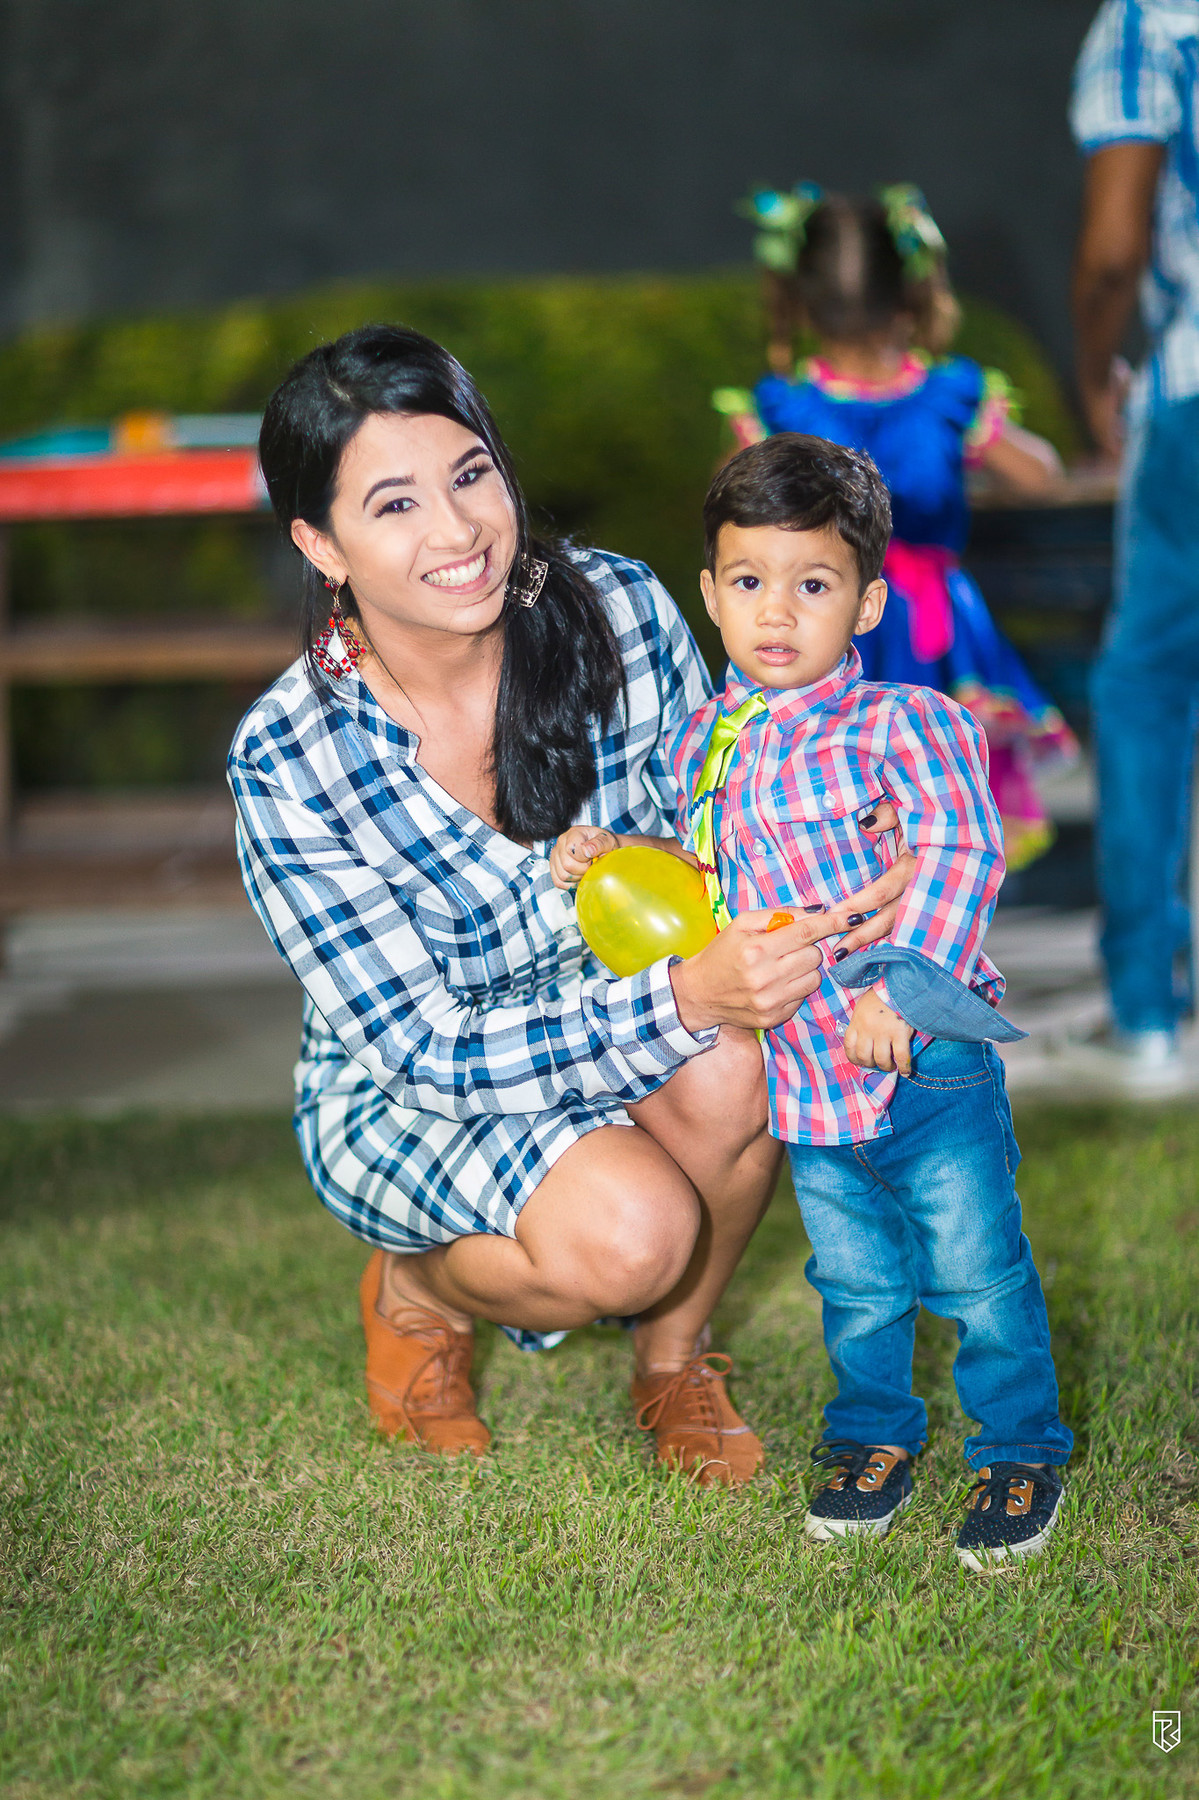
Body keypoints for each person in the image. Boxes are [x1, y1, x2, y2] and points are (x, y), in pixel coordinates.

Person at [228, 324, 915, 1485]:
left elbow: (722, 834)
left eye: (469, 475)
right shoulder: (289, 755)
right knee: (632, 1237)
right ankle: (418, 1286)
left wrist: (848, 835)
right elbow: (423, 1051)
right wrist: (679, 1003)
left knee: (745, 1059)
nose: (456, 534)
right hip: (412, 1084)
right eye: (392, 505)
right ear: (320, 543)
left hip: (620, 1007)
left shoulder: (618, 610)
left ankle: (672, 1361)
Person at [554, 435, 1073, 1568]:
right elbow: (708, 884)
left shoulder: (905, 723)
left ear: (867, 600)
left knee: (973, 1264)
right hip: (802, 1075)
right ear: (709, 594)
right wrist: (614, 857)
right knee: (853, 1276)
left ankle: (1017, 1450)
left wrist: (899, 985)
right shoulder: (707, 743)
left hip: (912, 1055)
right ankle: (872, 1437)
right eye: (748, 583)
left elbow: (957, 847)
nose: (775, 612)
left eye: (812, 584)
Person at [714, 184, 1078, 872]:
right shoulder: (946, 398)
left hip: (821, 611)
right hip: (937, 624)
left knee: (833, 797)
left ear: (798, 299)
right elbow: (1043, 473)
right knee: (938, 799)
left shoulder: (781, 406)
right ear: (912, 292)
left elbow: (727, 500)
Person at [1071, 0, 1199, 1082]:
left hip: (1193, 391)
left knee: (1145, 690)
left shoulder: (1143, 23)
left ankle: (1144, 1007)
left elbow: (1115, 248)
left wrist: (1091, 367)